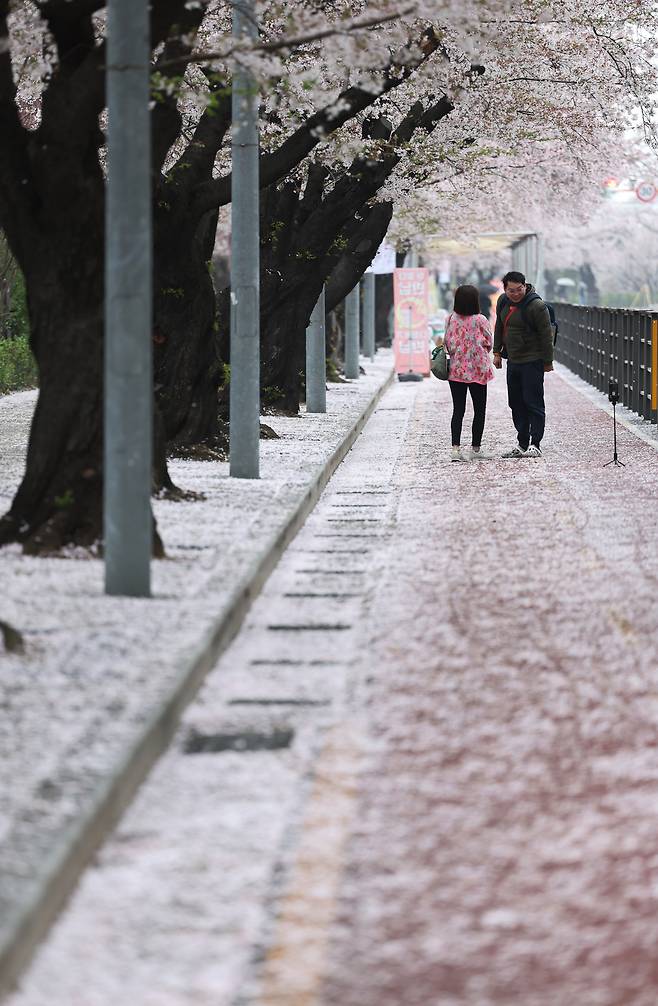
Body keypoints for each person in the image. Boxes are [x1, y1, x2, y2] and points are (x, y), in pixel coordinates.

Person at [493, 271, 554, 458]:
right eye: (511, 290)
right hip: (513, 360)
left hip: (532, 360)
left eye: (519, 289)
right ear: (505, 289)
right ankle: (522, 442)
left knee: (533, 402)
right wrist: (496, 352)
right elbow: (499, 326)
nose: (516, 294)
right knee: (516, 403)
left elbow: (546, 335)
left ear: (525, 286)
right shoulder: (503, 301)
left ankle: (535, 443)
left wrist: (547, 361)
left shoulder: (536, 306)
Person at [443, 285, 495, 462]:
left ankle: (455, 450)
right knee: (479, 410)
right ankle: (475, 448)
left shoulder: (450, 319)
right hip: (478, 371)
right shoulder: (481, 320)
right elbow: (489, 342)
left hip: (456, 370)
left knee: (458, 410)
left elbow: (447, 343)